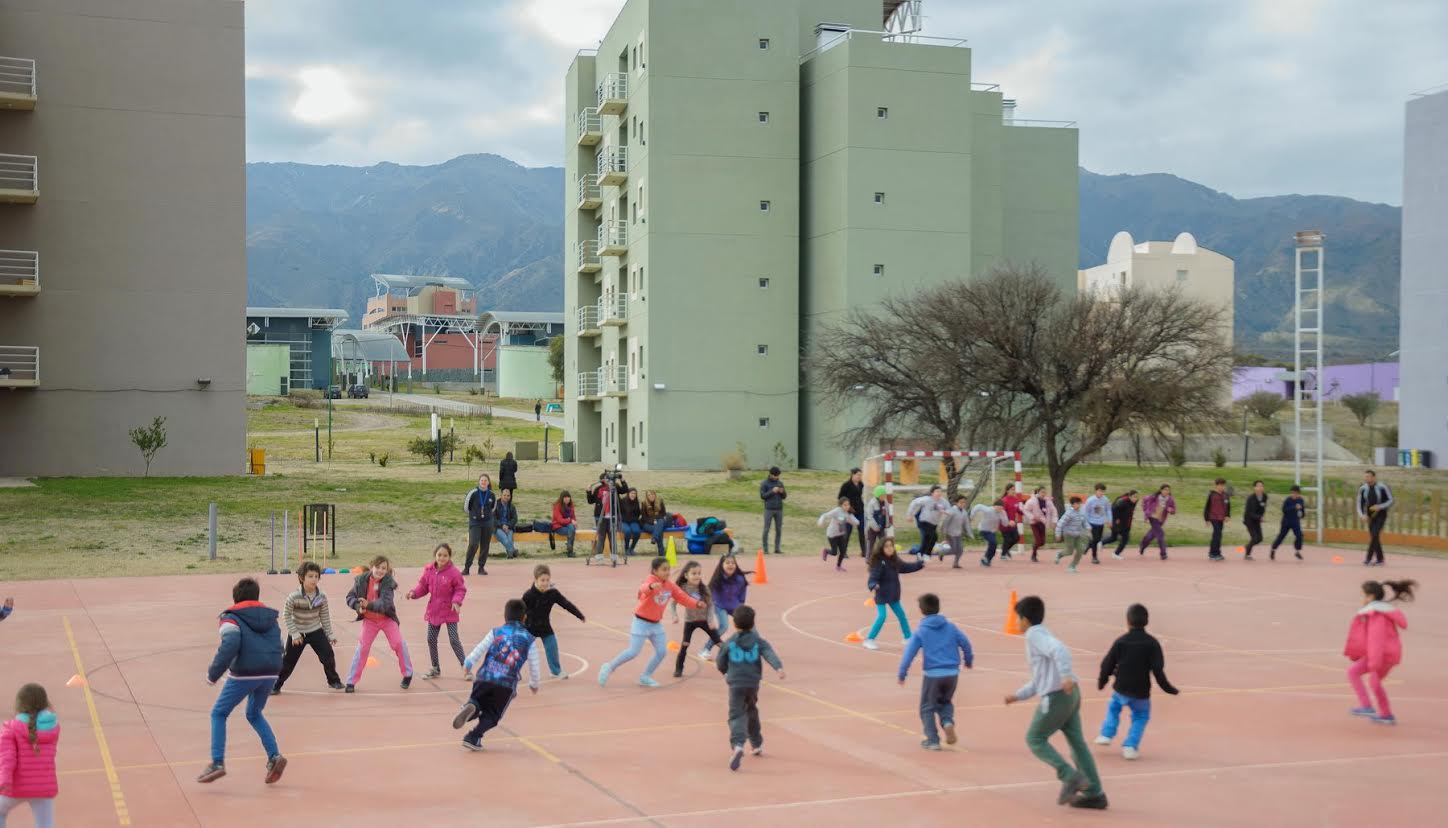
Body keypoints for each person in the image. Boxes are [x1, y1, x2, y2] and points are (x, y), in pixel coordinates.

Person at [1004, 595, 1107, 810]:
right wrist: (1019, 695)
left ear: (1024, 619)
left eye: (1017, 619)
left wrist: (1066, 674)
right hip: (1071, 695)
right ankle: (1095, 793)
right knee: (1077, 744)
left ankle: (1069, 776)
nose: (1015, 624)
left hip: (1058, 696)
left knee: (1035, 738)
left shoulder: (1034, 635)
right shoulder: (1041, 632)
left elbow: (1060, 650)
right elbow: (1039, 678)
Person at [199, 577, 287, 785]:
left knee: (219, 713)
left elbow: (230, 643)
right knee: (254, 713)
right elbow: (280, 642)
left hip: (246, 672)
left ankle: (217, 762)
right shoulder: (270, 617)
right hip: (271, 671)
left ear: (235, 598)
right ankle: (274, 755)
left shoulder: (231, 617)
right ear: (257, 596)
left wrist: (213, 674)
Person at [598, 558, 702, 688]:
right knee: (633, 652)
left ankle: (645, 676)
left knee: (661, 652)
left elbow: (683, 597)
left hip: (656, 624)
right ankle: (609, 667)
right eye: (664, 569)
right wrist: (651, 587)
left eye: (668, 569)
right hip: (641, 622)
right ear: (655, 570)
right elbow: (643, 589)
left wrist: (697, 604)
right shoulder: (650, 580)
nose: (667, 572)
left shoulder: (670, 586)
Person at [1093, 603, 1179, 760]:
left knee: (1114, 707)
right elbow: (1158, 670)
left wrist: (1102, 680)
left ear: (1127, 621)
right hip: (1141, 691)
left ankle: (1106, 734)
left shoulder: (1121, 641)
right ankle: (1130, 746)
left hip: (1121, 688)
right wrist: (1168, 688)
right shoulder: (1152, 643)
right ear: (1147, 621)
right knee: (1140, 716)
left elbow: (1107, 663)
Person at [453, 599, 541, 751]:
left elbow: (480, 648)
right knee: (493, 715)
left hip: (484, 677)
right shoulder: (529, 639)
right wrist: (534, 683)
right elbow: (534, 664)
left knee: (478, 700)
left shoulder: (496, 632)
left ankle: (472, 706)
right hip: (505, 685)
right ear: (524, 617)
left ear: (505, 617)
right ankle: (473, 736)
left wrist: (468, 664)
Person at [897, 593, 973, 750]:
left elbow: (909, 653)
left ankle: (932, 740)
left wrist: (902, 672)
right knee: (945, 701)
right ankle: (947, 722)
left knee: (927, 707)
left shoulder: (921, 631)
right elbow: (965, 642)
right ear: (938, 607)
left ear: (921, 610)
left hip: (932, 675)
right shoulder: (951, 627)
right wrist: (968, 659)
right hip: (952, 673)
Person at [717, 605, 785, 771]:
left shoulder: (730, 642)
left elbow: (720, 661)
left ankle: (738, 744)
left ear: (735, 624)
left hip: (735, 683)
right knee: (751, 709)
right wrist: (778, 667)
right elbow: (769, 652)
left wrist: (725, 672)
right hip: (752, 683)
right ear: (753, 623)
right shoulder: (758, 640)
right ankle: (756, 743)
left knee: (736, 714)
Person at [1343, 579, 1415, 726]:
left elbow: (1376, 639)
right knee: (1355, 673)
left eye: (1363, 595)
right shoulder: (1378, 611)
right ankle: (1377, 711)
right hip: (1380, 654)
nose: (1362, 599)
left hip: (1383, 655)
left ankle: (1377, 711)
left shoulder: (1376, 615)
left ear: (1370, 597)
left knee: (1373, 682)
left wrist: (1374, 662)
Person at [343, 556, 414, 692]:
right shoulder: (361, 580)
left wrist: (368, 604)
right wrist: (358, 606)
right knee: (362, 648)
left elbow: (385, 603)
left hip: (386, 619)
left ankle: (408, 673)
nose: (380, 571)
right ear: (371, 567)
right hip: (369, 621)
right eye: (378, 567)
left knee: (398, 643)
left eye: (384, 568)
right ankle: (351, 681)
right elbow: (350, 597)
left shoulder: (388, 583)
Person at [272, 562, 343, 694]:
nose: (314, 579)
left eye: (316, 576)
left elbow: (324, 616)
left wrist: (330, 634)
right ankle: (276, 684)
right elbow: (286, 615)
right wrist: (294, 633)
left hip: (315, 630)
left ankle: (333, 681)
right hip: (298, 633)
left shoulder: (321, 596)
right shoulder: (294, 597)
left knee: (328, 655)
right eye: (310, 576)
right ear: (301, 578)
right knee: (288, 661)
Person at [406, 543, 469, 680]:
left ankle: (466, 667)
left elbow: (460, 589)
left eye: (445, 555)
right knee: (431, 638)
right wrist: (413, 593)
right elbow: (423, 586)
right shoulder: (429, 570)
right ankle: (435, 667)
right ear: (435, 555)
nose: (442, 558)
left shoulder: (454, 573)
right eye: (439, 555)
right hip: (434, 610)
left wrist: (456, 602)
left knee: (454, 639)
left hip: (450, 611)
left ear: (449, 557)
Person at [0, 683, 59, 827]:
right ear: (45, 702)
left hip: (17, 786)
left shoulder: (11, 728)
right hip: (44, 787)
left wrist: (4, 782)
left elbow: (7, 759)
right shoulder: (53, 727)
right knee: (46, 825)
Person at [522, 565, 586, 680]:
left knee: (552, 647)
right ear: (535, 580)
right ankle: (514, 671)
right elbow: (520, 612)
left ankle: (555, 671)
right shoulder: (528, 595)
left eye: (547, 580)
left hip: (545, 627)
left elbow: (566, 604)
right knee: (521, 650)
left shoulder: (553, 593)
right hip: (529, 628)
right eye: (542, 580)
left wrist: (579, 615)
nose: (545, 583)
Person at [863, 537, 925, 651]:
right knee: (882, 616)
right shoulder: (878, 562)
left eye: (891, 545)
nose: (890, 548)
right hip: (882, 594)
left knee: (901, 615)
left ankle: (908, 638)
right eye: (886, 546)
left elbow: (906, 567)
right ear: (881, 548)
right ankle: (869, 639)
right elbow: (873, 577)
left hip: (893, 594)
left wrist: (919, 564)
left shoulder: (894, 560)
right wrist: (873, 584)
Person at [671, 561, 724, 677]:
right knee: (685, 644)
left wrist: (710, 620)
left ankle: (733, 665)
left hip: (704, 620)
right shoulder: (682, 589)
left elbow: (711, 605)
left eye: (699, 573)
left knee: (719, 642)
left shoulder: (704, 589)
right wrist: (674, 615)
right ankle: (678, 669)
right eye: (694, 573)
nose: (697, 576)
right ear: (686, 576)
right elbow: (673, 603)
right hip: (690, 621)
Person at [701, 553, 749, 660]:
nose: (730, 565)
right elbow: (709, 594)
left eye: (733, 563)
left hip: (735, 606)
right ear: (722, 565)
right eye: (727, 563)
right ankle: (705, 649)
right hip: (720, 606)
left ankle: (748, 648)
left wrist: (741, 607)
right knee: (724, 626)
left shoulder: (740, 579)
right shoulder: (717, 579)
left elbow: (742, 594)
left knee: (748, 626)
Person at [1357, 470, 1394, 566]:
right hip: (1369, 516)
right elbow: (1359, 503)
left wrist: (1380, 506)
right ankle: (1380, 560)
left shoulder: (1382, 487)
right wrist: (1362, 515)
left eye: (1368, 476)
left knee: (1374, 534)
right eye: (1365, 477)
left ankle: (1368, 559)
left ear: (1374, 477)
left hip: (1381, 514)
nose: (1366, 479)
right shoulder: (1363, 489)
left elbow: (1391, 500)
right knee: (1375, 537)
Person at [462, 473, 497, 576]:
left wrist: (487, 515)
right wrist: (474, 515)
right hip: (475, 522)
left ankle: (481, 567)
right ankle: (467, 567)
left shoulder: (491, 494)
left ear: (488, 482)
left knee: (485, 545)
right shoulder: (473, 493)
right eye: (482, 480)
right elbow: (466, 507)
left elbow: (493, 508)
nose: (484, 482)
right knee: (473, 544)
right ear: (479, 482)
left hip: (487, 522)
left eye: (486, 480)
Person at [817, 497, 859, 572]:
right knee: (834, 552)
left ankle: (838, 566)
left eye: (848, 505)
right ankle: (826, 551)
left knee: (843, 551)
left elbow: (855, 521)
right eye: (845, 505)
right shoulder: (837, 511)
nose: (847, 507)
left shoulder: (848, 513)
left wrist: (855, 522)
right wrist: (821, 521)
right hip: (832, 534)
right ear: (841, 505)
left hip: (841, 534)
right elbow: (825, 515)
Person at [906, 485, 947, 559]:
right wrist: (909, 515)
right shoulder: (926, 500)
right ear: (932, 493)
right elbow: (914, 503)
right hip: (924, 521)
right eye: (937, 491)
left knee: (929, 538)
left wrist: (946, 512)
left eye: (940, 491)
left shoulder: (943, 501)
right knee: (932, 536)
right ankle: (926, 554)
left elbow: (949, 509)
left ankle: (921, 554)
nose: (939, 493)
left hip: (934, 523)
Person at [1137, 485, 1176, 560]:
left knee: (1151, 535)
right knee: (1160, 534)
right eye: (1165, 489)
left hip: (1161, 519)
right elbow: (1145, 500)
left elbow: (1174, 510)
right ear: (1161, 490)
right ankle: (1163, 553)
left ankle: (1142, 545)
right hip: (1153, 517)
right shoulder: (1154, 497)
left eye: (1168, 490)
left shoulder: (1170, 499)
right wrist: (1146, 512)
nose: (1166, 491)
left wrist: (1170, 510)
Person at [587, 472, 619, 565]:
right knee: (601, 536)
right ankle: (599, 557)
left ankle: (614, 556)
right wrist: (588, 491)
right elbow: (590, 501)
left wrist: (622, 480)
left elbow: (624, 490)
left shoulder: (614, 489)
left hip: (611, 516)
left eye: (608, 479)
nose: (607, 480)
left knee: (612, 537)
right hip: (600, 516)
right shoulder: (598, 489)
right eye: (605, 478)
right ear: (602, 480)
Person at [1021, 487, 1059, 563]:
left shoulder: (1048, 501)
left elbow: (1054, 511)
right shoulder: (1032, 501)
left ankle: (1034, 546)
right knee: (1038, 540)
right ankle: (1033, 555)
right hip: (1034, 523)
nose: (1043, 494)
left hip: (1043, 522)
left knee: (1042, 542)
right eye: (1042, 492)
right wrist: (1032, 517)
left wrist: (1054, 521)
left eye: (1045, 492)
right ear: (1038, 493)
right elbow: (1025, 509)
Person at [1053, 496, 1091, 572]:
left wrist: (1088, 527)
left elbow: (1084, 522)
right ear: (1072, 505)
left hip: (1078, 535)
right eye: (1076, 504)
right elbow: (1060, 524)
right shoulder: (1069, 513)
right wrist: (1058, 534)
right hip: (1069, 535)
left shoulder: (1081, 512)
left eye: (1079, 503)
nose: (1078, 505)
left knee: (1080, 550)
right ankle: (1059, 554)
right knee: (1069, 551)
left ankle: (1072, 566)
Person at [837, 468, 868, 557]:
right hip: (849, 512)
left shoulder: (861, 484)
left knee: (862, 531)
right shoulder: (846, 485)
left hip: (860, 510)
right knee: (847, 531)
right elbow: (840, 497)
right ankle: (843, 552)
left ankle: (864, 551)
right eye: (858, 475)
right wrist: (846, 508)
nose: (859, 477)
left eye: (860, 475)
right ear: (852, 475)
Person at [1270, 485, 1306, 561]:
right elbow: (1284, 510)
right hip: (1286, 522)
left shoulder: (1301, 500)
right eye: (1292, 493)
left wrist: (1302, 514)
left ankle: (1297, 551)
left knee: (1300, 535)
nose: (1294, 495)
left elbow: (1302, 510)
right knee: (1281, 537)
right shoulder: (1288, 500)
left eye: (1296, 493)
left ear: (1299, 494)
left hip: (1295, 522)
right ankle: (1273, 549)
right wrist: (1294, 507)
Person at [1101, 490, 1138, 560]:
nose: (1135, 499)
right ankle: (1116, 553)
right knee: (1125, 538)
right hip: (1119, 524)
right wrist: (1116, 519)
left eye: (1136, 497)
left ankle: (1100, 543)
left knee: (1113, 537)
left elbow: (1129, 510)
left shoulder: (1134, 502)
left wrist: (1130, 516)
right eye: (1134, 497)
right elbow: (1113, 509)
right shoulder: (1121, 502)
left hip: (1126, 523)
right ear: (1129, 496)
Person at [760, 467, 787, 555]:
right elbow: (763, 496)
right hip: (768, 509)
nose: (777, 477)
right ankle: (765, 549)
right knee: (766, 529)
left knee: (778, 529)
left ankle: (777, 548)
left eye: (778, 476)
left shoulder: (780, 483)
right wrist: (772, 491)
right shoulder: (764, 483)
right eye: (776, 476)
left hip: (779, 509)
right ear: (771, 474)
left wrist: (782, 492)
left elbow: (784, 497)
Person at [972, 500, 1006, 567]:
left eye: (1001, 508)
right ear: (994, 506)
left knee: (994, 546)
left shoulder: (1002, 512)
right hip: (984, 530)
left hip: (992, 531)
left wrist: (1003, 517)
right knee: (993, 543)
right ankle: (986, 558)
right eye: (998, 508)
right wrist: (972, 515)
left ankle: (987, 559)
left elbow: (1005, 523)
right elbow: (978, 506)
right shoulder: (988, 510)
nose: (999, 510)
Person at [1203, 478, 1231, 561]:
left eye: (1223, 485)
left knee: (1217, 535)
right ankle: (1215, 554)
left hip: (1221, 518)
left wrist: (1227, 515)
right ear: (1216, 485)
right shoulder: (1212, 495)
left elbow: (1228, 506)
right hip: (1213, 517)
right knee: (1217, 535)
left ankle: (1213, 553)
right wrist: (1206, 519)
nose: (1222, 487)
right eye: (1220, 485)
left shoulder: (1226, 495)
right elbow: (1207, 507)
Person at [941, 494, 971, 569]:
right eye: (961, 502)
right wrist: (944, 534)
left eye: (964, 502)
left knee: (960, 550)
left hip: (958, 534)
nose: (963, 504)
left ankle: (955, 564)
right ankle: (941, 552)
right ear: (956, 503)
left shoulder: (964, 512)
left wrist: (970, 533)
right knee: (954, 550)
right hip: (950, 534)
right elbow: (945, 522)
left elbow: (966, 523)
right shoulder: (952, 511)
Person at [1084, 484, 1110, 565]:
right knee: (1095, 540)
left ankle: (1088, 545)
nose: (1101, 493)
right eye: (1100, 491)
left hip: (1101, 522)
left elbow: (1108, 510)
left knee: (1098, 539)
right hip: (1092, 522)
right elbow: (1086, 512)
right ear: (1096, 491)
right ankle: (1094, 557)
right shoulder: (1090, 500)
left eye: (1103, 491)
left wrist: (1109, 520)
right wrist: (1087, 524)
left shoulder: (1105, 500)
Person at [1242, 481, 1268, 561]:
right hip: (1249, 520)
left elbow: (1263, 507)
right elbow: (1250, 512)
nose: (1260, 488)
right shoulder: (1251, 498)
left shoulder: (1264, 496)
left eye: (1261, 486)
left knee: (1260, 538)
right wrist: (1259, 517)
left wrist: (1261, 516)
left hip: (1257, 520)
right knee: (1255, 538)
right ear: (1254, 488)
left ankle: (1247, 546)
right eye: (1258, 486)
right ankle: (1247, 554)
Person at [640, 490, 669, 554]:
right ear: (647, 496)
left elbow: (663, 514)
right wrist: (653, 521)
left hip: (659, 522)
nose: (651, 496)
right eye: (649, 495)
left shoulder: (660, 501)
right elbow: (644, 517)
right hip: (647, 524)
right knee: (659, 530)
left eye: (652, 494)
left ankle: (654, 538)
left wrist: (656, 520)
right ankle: (661, 551)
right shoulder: (644, 503)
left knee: (661, 522)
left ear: (655, 495)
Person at [999, 486, 1024, 560]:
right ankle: (1003, 554)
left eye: (1014, 490)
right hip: (1004, 523)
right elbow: (1002, 513)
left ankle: (1005, 549)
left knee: (1016, 538)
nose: (1013, 491)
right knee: (1008, 540)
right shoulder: (1004, 500)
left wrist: (1024, 512)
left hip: (1013, 523)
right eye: (1011, 490)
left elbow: (1018, 509)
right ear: (1007, 491)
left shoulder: (1016, 499)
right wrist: (1007, 521)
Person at [493, 488, 519, 559]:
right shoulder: (495, 505)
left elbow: (515, 519)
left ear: (510, 497)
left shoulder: (512, 506)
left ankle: (510, 553)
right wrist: (502, 526)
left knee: (510, 539)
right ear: (501, 495)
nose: (506, 497)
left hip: (508, 527)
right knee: (505, 538)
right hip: (497, 527)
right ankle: (513, 551)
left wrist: (508, 525)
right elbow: (493, 519)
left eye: (508, 495)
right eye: (504, 495)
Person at [551, 491, 579, 557]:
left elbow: (573, 517)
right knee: (572, 530)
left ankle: (569, 548)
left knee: (571, 528)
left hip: (568, 526)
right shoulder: (557, 506)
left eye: (568, 497)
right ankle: (570, 551)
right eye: (565, 498)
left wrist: (574, 522)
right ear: (562, 498)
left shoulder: (571, 506)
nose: (567, 499)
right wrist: (570, 520)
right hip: (558, 527)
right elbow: (560, 520)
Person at [619, 488, 644, 556]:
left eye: (635, 494)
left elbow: (638, 513)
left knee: (637, 531)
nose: (633, 495)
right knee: (627, 531)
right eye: (632, 493)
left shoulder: (636, 502)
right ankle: (626, 549)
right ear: (628, 494)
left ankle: (631, 548)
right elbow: (618, 512)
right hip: (623, 521)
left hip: (633, 521)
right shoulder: (622, 501)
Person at [864, 485, 888, 556]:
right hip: (872, 528)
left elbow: (886, 514)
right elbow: (869, 516)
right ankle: (869, 559)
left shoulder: (885, 503)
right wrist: (875, 526)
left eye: (884, 495)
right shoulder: (872, 503)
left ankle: (884, 558)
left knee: (884, 543)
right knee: (871, 544)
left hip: (882, 527)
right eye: (882, 495)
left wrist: (887, 524)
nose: (883, 497)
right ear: (878, 495)